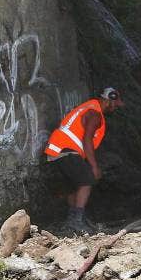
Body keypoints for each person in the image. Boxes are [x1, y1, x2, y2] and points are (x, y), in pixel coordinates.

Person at [44, 88, 124, 234]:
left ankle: (73, 220)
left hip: (56, 149)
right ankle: (76, 221)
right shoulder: (95, 114)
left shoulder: (89, 107)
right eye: (115, 105)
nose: (115, 108)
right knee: (87, 181)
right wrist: (94, 167)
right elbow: (87, 140)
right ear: (108, 101)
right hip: (66, 150)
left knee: (74, 186)